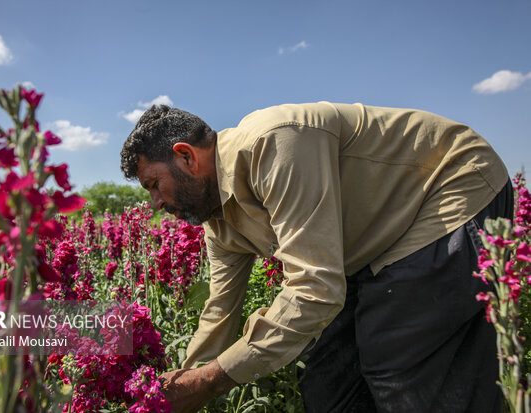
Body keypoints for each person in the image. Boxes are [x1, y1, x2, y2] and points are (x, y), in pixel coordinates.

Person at [120, 101, 512, 413]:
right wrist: (178, 386)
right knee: (328, 377)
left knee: (398, 357)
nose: (155, 202)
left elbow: (315, 289)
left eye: (154, 184)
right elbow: (221, 310)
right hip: (376, 240)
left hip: (449, 187)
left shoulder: (274, 144)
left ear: (186, 156)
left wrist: (211, 381)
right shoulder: (218, 219)